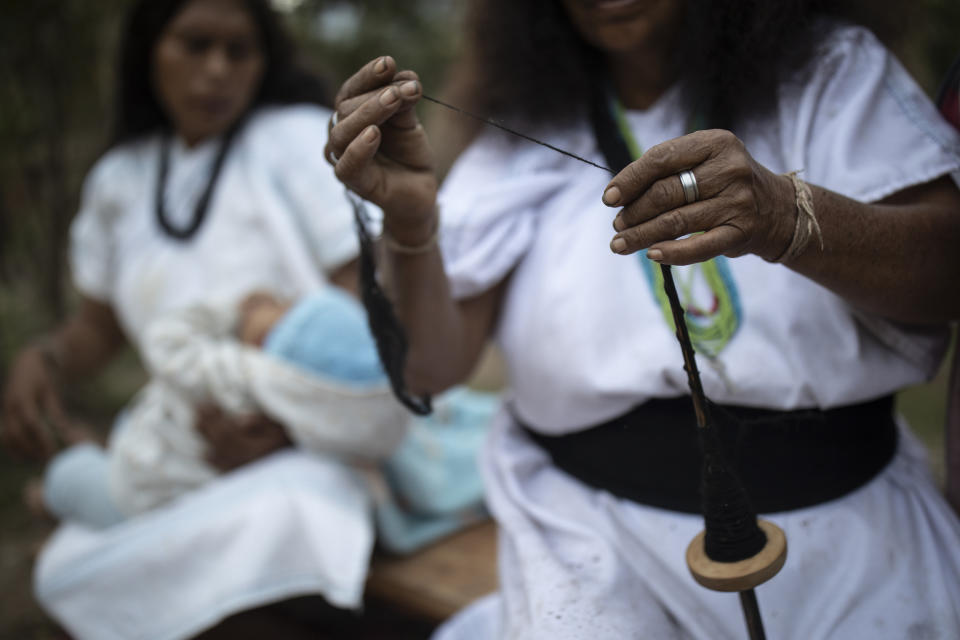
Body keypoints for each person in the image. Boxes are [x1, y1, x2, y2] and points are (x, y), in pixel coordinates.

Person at [325, 0, 960, 638]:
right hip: (582, 540)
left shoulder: (828, 69)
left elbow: (945, 276)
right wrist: (410, 225)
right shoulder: (521, 118)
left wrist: (787, 218)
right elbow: (432, 366)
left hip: (847, 530)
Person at [0, 0, 384, 636]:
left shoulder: (294, 140)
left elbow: (365, 294)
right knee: (83, 553)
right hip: (183, 436)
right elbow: (99, 328)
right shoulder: (118, 180)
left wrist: (288, 424)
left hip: (301, 433)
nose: (217, 70)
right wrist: (44, 357)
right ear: (150, 48)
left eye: (239, 51)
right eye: (195, 44)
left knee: (294, 514)